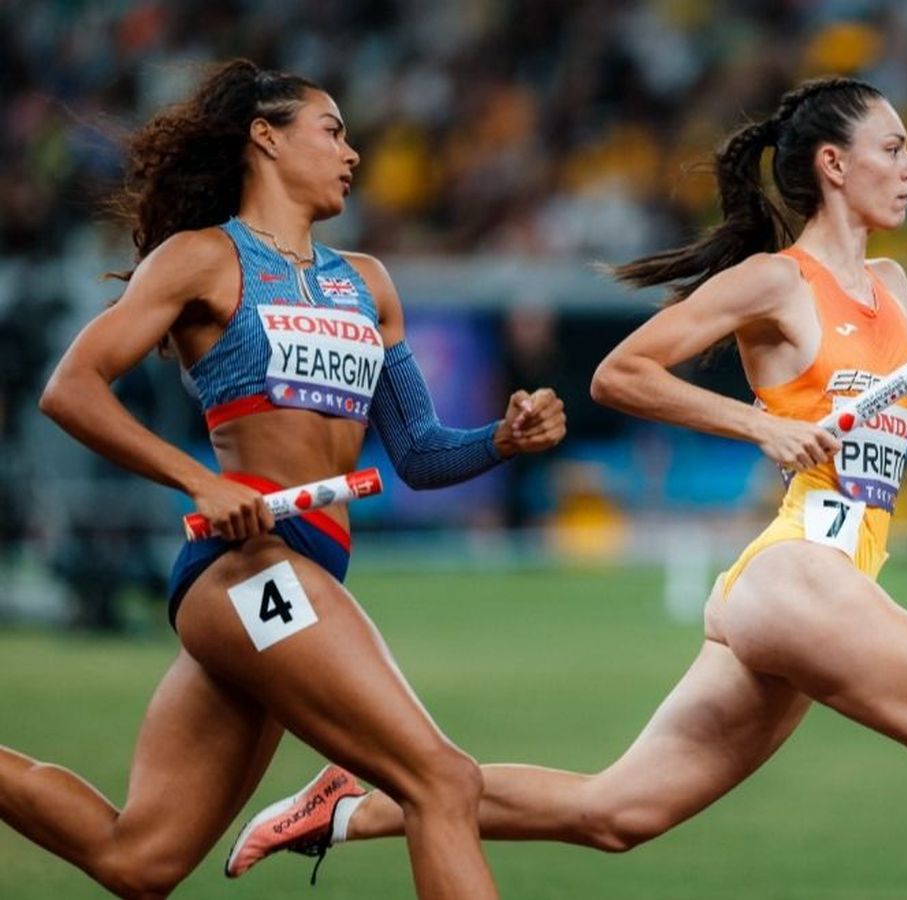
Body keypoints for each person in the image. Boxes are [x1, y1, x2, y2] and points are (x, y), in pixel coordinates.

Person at [240, 76, 907, 899]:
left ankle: (356, 804)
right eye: (892, 149)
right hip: (800, 576)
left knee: (618, 813)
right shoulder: (776, 282)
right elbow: (620, 373)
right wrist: (762, 424)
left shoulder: (892, 289)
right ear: (832, 163)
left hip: (820, 591)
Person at [0, 59, 566, 899]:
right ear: (265, 137)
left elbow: (418, 452)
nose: (353, 153)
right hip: (252, 569)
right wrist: (201, 481)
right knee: (442, 781)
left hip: (303, 572)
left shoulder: (366, 283)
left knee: (138, 861)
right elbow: (69, 388)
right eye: (332, 130)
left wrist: (505, 439)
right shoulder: (200, 260)